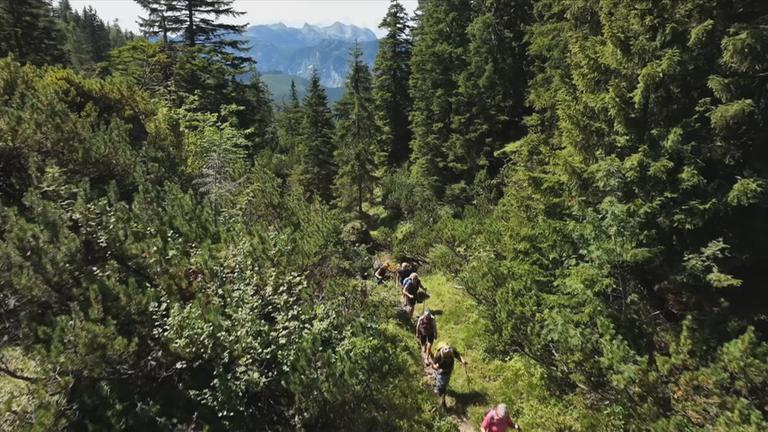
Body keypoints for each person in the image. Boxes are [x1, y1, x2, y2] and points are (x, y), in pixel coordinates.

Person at [430, 344, 466, 408]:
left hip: (448, 371)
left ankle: (441, 394)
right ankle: (440, 397)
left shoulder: (451, 350)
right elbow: (433, 364)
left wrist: (462, 361)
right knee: (441, 386)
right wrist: (436, 368)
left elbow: (458, 355)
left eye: (448, 357)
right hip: (441, 371)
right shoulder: (438, 355)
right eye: (446, 358)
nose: (447, 359)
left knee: (445, 382)